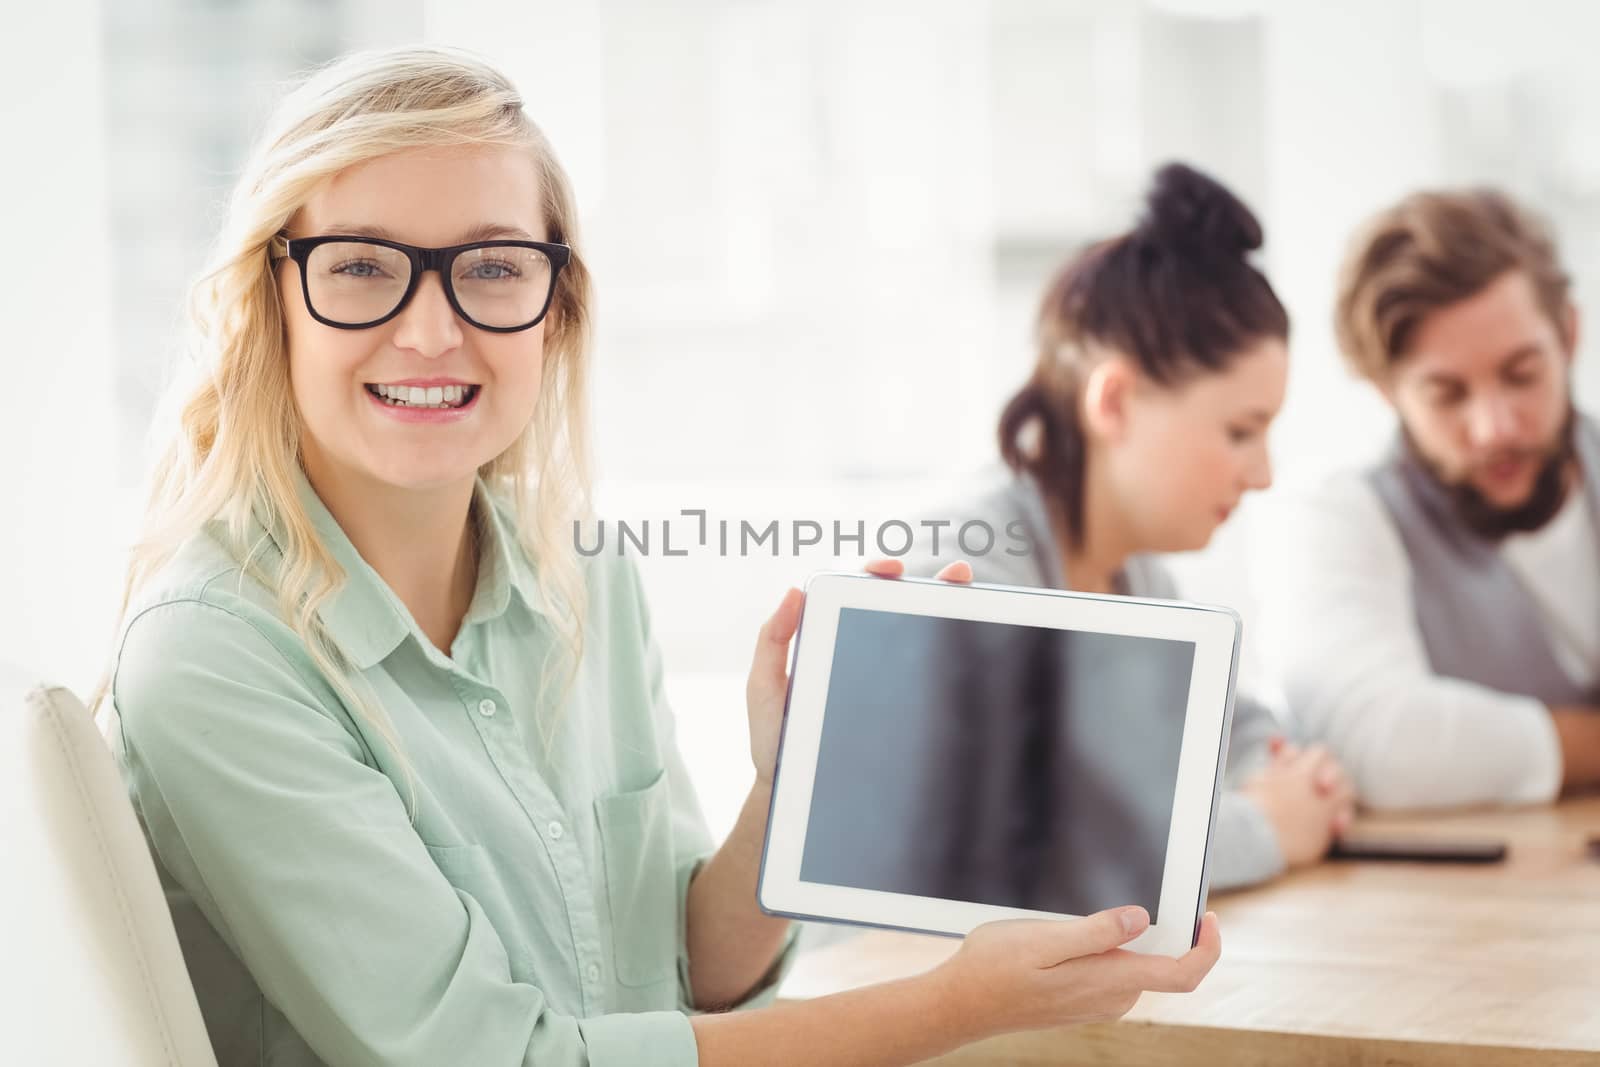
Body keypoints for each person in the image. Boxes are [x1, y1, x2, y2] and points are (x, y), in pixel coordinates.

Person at [96, 47, 1220, 1067]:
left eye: (490, 267)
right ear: (271, 301)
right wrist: (954, 1005)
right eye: (356, 267)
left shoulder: (581, 574)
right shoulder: (214, 653)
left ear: (557, 310)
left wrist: (798, 789)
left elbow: (681, 972)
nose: (431, 329)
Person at [914, 164, 1355, 892]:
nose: (1264, 473)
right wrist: (1267, 825)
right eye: (1242, 430)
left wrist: (1289, 781)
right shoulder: (964, 564)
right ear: (1114, 400)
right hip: (887, 981)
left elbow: (1241, 734)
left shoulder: (1138, 577)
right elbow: (1028, 851)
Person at [1259, 188, 1600, 810]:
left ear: (1569, 335)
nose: (1496, 426)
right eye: (1448, 394)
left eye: (1522, 374)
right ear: (1388, 391)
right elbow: (1380, 745)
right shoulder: (1341, 514)